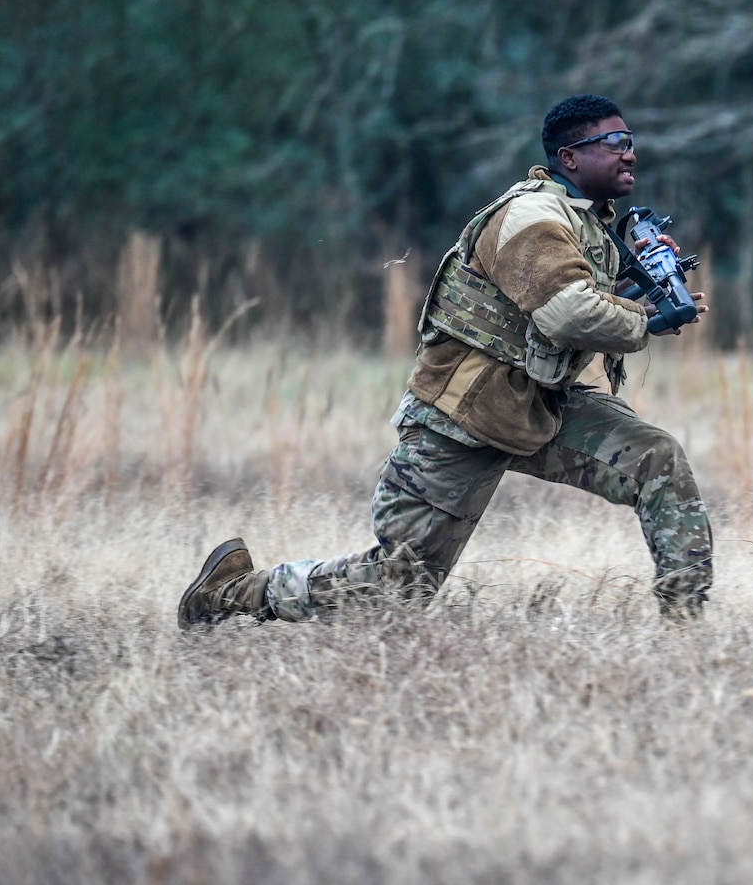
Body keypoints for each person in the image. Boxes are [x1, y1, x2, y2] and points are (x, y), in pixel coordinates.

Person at [177, 94, 716, 627]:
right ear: (570, 157)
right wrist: (650, 318)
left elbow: (560, 301)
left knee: (657, 461)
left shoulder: (584, 221)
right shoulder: (532, 218)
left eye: (632, 143)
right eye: (616, 143)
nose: (630, 154)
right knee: (399, 587)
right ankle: (231, 593)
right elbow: (566, 314)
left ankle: (686, 628)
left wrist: (636, 283)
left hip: (537, 404)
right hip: (462, 418)